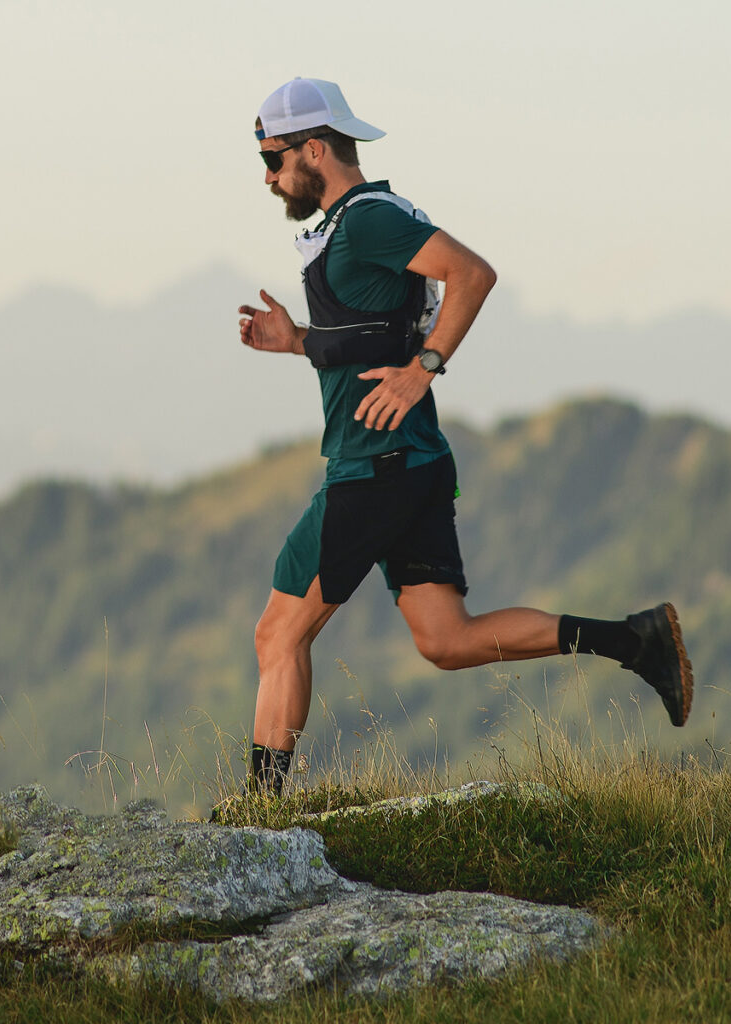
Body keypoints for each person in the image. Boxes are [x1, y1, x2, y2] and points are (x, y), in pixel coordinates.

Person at [237, 77, 693, 795]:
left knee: (278, 633)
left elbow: (471, 274)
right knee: (446, 640)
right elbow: (380, 329)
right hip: (412, 460)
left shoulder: (366, 220)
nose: (267, 178)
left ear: (314, 148)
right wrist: (298, 342)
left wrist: (424, 369)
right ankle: (635, 640)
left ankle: (257, 822)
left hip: (373, 466)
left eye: (272, 159)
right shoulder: (359, 222)